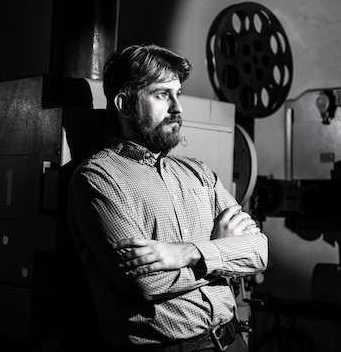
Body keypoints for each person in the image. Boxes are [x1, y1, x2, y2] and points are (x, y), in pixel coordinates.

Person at [67, 43, 268, 351]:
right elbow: (145, 284)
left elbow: (258, 251)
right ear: (124, 104)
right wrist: (220, 250)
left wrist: (187, 253)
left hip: (233, 341)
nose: (178, 107)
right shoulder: (97, 179)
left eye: (178, 93)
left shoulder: (199, 172)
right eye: (162, 94)